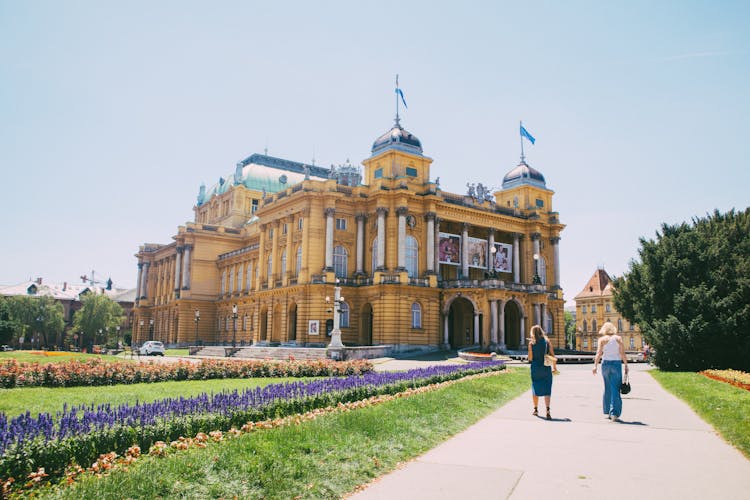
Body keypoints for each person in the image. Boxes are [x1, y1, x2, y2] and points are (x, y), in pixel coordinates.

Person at [592, 321, 629, 421]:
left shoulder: (602, 339)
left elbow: (599, 353)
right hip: (616, 364)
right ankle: (614, 413)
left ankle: (608, 410)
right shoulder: (618, 338)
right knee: (615, 388)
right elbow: (622, 353)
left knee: (607, 387)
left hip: (605, 364)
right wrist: (626, 364)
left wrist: (595, 366)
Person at [528, 324, 556, 420]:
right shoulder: (547, 342)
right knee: (547, 389)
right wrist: (555, 368)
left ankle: (535, 410)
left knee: (535, 388)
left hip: (535, 368)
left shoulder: (531, 343)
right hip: (546, 368)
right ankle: (547, 410)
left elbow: (530, 358)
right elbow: (553, 355)